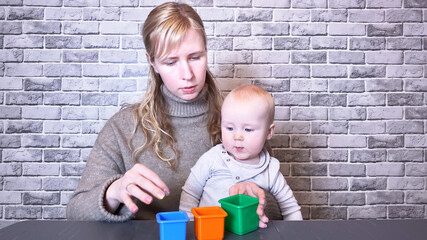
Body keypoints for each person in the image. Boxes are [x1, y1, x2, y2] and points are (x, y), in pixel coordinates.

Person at [66, 2, 269, 227]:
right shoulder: (121, 128)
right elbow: (76, 212)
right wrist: (113, 191)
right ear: (152, 62)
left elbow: (279, 206)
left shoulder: (240, 119)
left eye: (195, 57)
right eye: (171, 61)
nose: (187, 74)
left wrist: (256, 199)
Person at [180, 85, 303, 221]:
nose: (237, 137)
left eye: (248, 130)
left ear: (269, 132)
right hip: (209, 232)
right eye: (230, 128)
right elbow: (190, 194)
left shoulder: (270, 169)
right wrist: (190, 225)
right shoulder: (213, 158)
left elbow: (291, 209)